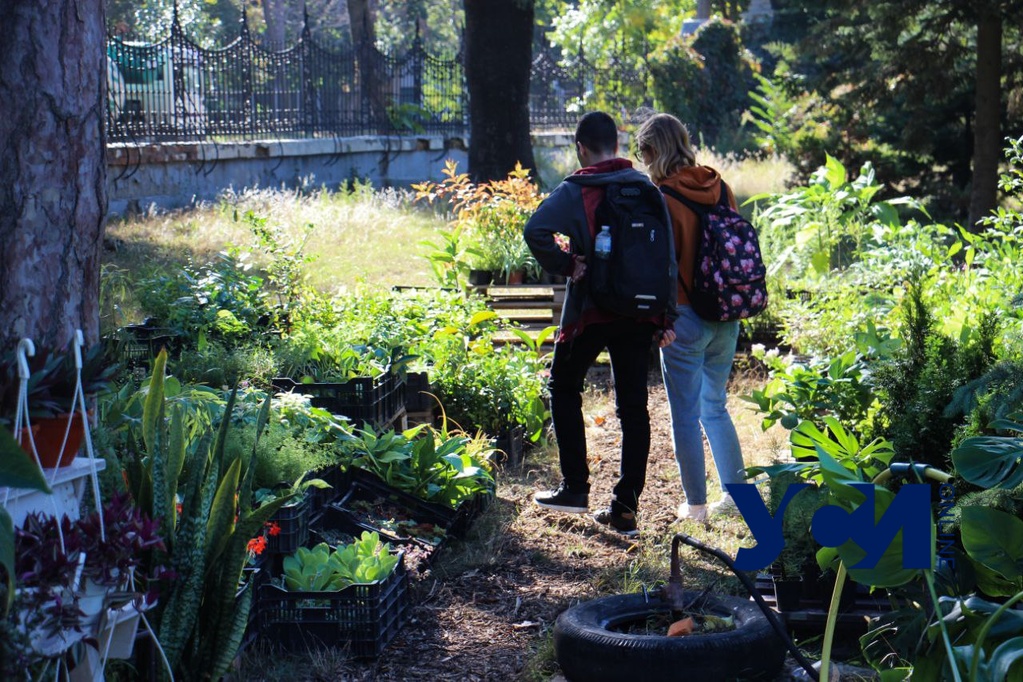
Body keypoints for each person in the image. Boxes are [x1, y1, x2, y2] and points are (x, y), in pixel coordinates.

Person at [523, 111, 677, 537]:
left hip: (591, 312)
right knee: (633, 408)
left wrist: (567, 263)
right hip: (638, 313)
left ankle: (575, 487)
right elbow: (667, 258)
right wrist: (666, 316)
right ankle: (625, 509)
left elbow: (535, 229)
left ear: (581, 147)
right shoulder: (647, 188)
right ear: (618, 142)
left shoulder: (578, 188)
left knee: (563, 386)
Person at [633, 112, 745, 523]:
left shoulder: (660, 198)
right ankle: (736, 497)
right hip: (727, 312)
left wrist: (656, 322)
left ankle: (696, 505)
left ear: (651, 151)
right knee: (715, 406)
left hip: (684, 317)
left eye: (642, 152)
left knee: (684, 414)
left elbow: (660, 266)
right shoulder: (720, 187)